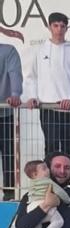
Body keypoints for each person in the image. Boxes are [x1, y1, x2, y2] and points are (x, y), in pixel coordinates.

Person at [23, 12, 70, 159]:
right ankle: (50, 182)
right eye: (55, 25)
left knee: (68, 149)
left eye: (62, 26)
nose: (59, 29)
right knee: (51, 148)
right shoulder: (39, 51)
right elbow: (31, 77)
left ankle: (67, 183)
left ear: (67, 28)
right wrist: (33, 97)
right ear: (49, 27)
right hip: (48, 108)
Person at [0, 41, 19, 199]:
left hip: (4, 114)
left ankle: (9, 194)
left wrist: (15, 94)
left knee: (8, 156)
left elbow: (15, 73)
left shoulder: (8, 50)